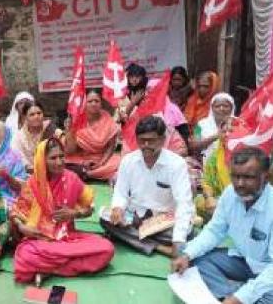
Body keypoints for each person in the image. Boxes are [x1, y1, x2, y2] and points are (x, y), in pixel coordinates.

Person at [172, 147, 273, 304]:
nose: (239, 184)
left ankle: (236, 294)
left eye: (248, 177)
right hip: (243, 261)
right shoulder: (230, 194)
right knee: (188, 254)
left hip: (268, 270)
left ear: (266, 177)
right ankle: (229, 294)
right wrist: (187, 255)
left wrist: (240, 298)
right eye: (235, 176)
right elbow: (214, 231)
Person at [11, 138, 114, 285]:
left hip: (67, 237)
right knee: (25, 255)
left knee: (107, 249)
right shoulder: (33, 184)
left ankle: (47, 269)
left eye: (61, 156)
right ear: (42, 160)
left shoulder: (71, 178)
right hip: (41, 239)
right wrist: (22, 227)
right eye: (53, 158)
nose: (59, 162)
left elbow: (89, 208)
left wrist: (75, 213)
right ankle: (63, 264)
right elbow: (16, 212)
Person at [101, 116, 195, 256]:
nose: (145, 145)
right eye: (141, 140)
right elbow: (121, 192)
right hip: (135, 217)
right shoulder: (129, 160)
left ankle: (130, 238)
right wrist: (118, 208)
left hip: (165, 221)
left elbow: (184, 203)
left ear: (163, 140)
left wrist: (178, 240)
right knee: (105, 218)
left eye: (151, 141)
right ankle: (158, 247)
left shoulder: (176, 164)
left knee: (185, 232)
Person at [64, 90, 120, 181]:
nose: (94, 104)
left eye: (96, 101)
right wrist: (69, 130)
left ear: (101, 104)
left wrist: (102, 163)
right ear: (84, 104)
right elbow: (71, 150)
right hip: (81, 159)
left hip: (102, 158)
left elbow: (111, 146)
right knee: (64, 163)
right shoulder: (76, 120)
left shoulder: (107, 117)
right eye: (90, 101)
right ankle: (87, 172)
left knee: (120, 162)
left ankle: (86, 174)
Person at [0, 120, 28, 209]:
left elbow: (21, 188)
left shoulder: (14, 157)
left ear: (0, 136)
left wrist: (5, 175)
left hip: (8, 199)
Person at [12, 101, 57, 173]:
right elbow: (18, 159)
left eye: (39, 113)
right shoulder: (19, 137)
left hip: (52, 172)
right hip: (27, 175)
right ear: (25, 117)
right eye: (32, 114)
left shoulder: (51, 129)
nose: (36, 116)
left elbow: (65, 149)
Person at [190, 92, 235, 163]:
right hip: (208, 165)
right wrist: (216, 136)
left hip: (231, 165)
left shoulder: (238, 123)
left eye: (226, 106)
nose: (221, 109)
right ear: (212, 108)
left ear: (232, 108)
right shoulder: (200, 124)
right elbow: (194, 145)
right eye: (217, 106)